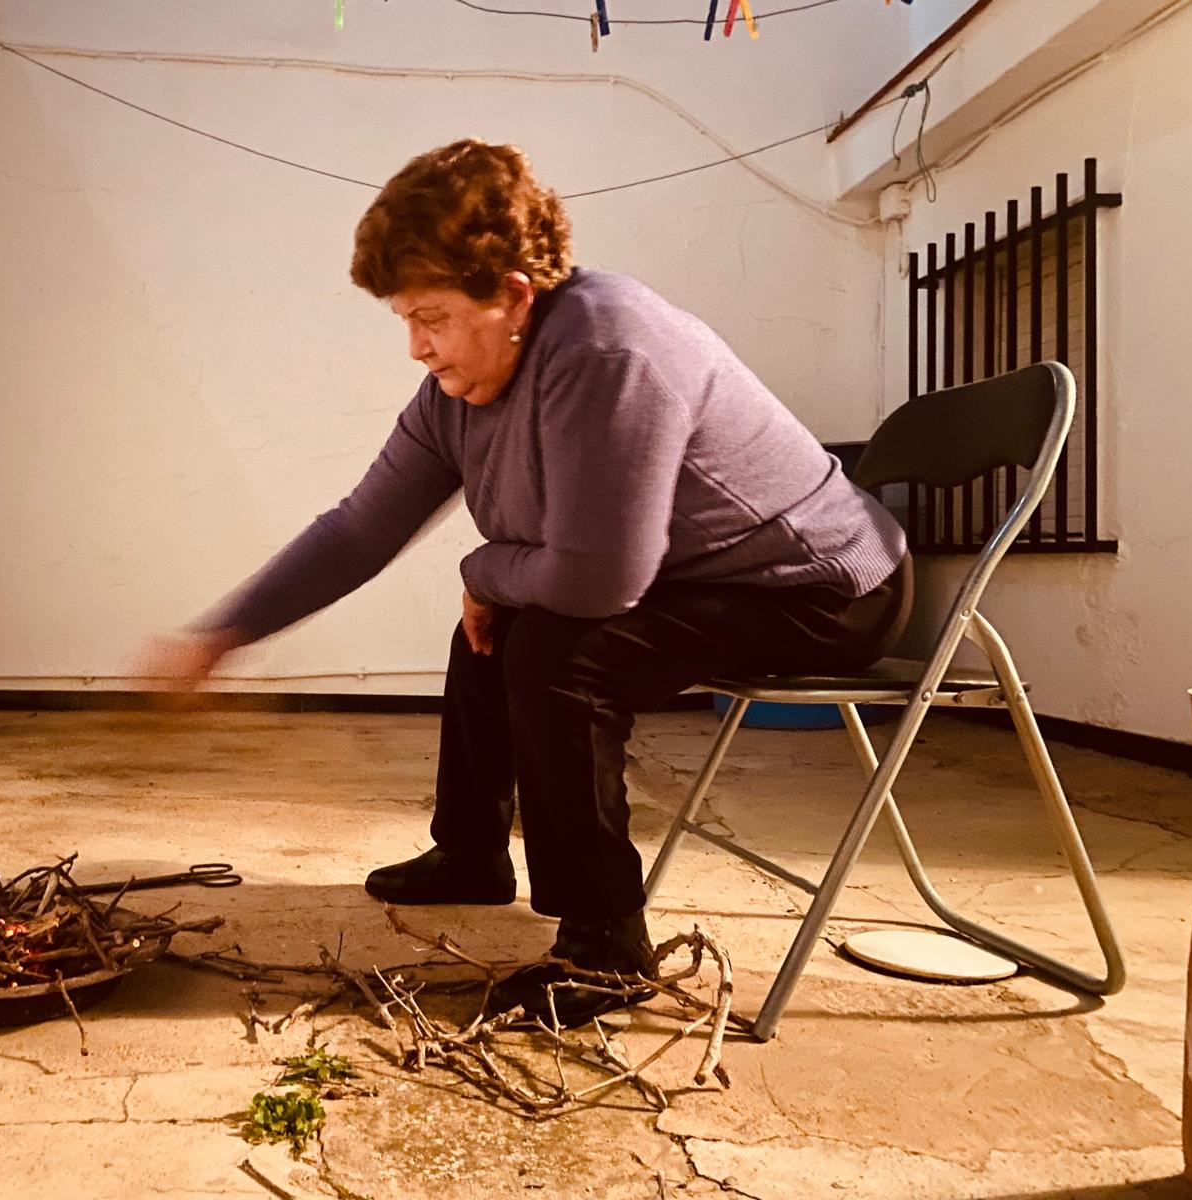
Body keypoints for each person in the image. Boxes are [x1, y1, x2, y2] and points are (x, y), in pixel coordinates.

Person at [153, 139, 910, 1025]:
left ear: (513, 295)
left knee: (559, 649)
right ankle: (470, 853)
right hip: (705, 573)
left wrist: (483, 570)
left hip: (823, 589)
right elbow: (358, 530)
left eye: (431, 316)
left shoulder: (608, 351)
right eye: (405, 319)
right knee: (494, 628)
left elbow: (595, 584)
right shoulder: (455, 395)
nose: (416, 346)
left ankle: (603, 950)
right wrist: (222, 635)